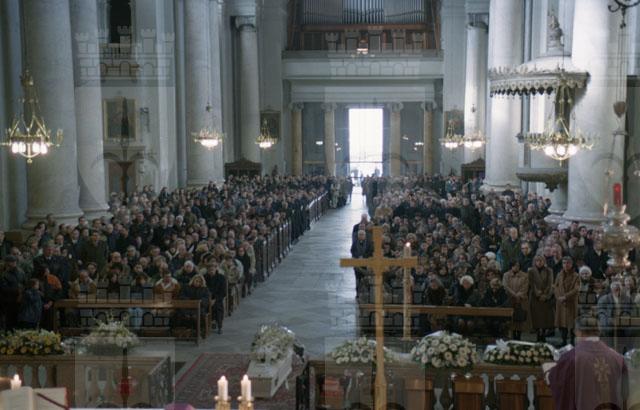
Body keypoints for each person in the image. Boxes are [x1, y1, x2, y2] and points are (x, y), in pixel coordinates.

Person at [548, 317, 628, 410]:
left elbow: (558, 382)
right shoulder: (618, 359)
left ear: (578, 332)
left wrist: (548, 371)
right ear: (599, 331)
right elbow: (624, 392)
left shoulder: (570, 358)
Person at [528, 255, 555, 342]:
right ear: (535, 262)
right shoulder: (531, 271)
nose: (539, 262)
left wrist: (545, 295)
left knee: (545, 318)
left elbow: (550, 283)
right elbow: (531, 284)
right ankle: (538, 334)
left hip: (545, 297)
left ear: (544, 261)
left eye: (541, 261)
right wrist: (538, 294)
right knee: (536, 317)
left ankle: (543, 334)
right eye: (537, 261)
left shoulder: (549, 270)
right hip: (535, 297)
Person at [554, 256, 580, 346]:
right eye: (564, 263)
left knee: (572, 323)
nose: (566, 265)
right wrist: (558, 297)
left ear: (571, 264)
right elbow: (556, 286)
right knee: (562, 323)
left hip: (571, 302)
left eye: (568, 263)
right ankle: (563, 341)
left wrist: (565, 297)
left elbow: (576, 289)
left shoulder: (576, 276)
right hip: (560, 303)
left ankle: (572, 341)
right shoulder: (559, 274)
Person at [503, 261, 529, 340]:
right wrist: (514, 294)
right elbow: (505, 286)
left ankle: (519, 335)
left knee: (520, 318)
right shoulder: (506, 275)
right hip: (510, 299)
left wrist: (519, 295)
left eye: (517, 266)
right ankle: (513, 335)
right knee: (512, 318)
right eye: (514, 265)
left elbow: (525, 287)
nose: (516, 267)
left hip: (521, 299)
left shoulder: (525, 275)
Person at [205, 263, 226, 334]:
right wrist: (208, 299)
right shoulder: (205, 277)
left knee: (218, 307)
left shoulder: (221, 277)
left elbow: (223, 292)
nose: (211, 271)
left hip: (217, 298)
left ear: (215, 269)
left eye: (212, 269)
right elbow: (203, 289)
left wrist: (215, 299)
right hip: (207, 298)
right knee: (204, 306)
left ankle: (220, 326)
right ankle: (207, 324)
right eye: (209, 270)